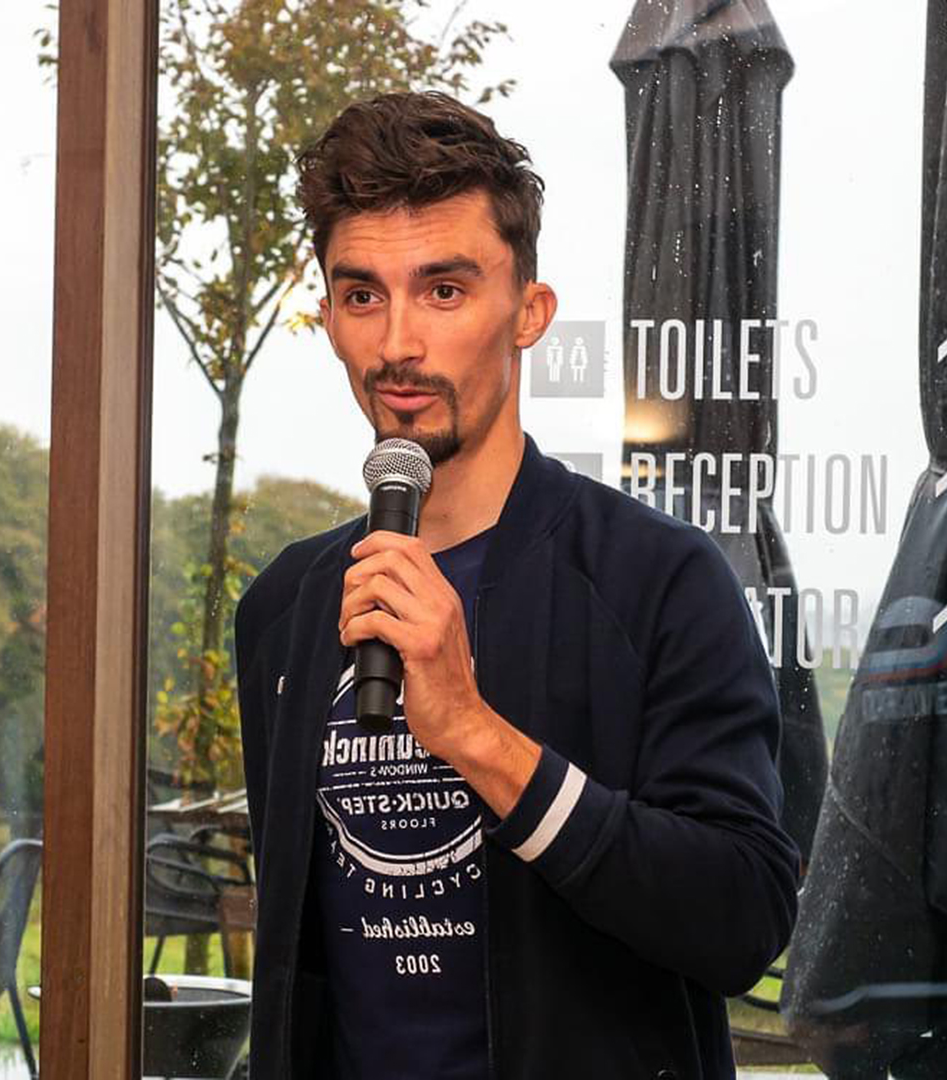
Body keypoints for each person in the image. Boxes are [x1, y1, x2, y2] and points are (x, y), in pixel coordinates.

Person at [234, 89, 800, 1080]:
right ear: (327, 317)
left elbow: (742, 918)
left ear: (528, 313)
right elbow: (299, 958)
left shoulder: (659, 581)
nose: (397, 343)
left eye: (444, 291)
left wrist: (474, 732)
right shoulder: (285, 609)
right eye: (362, 295)